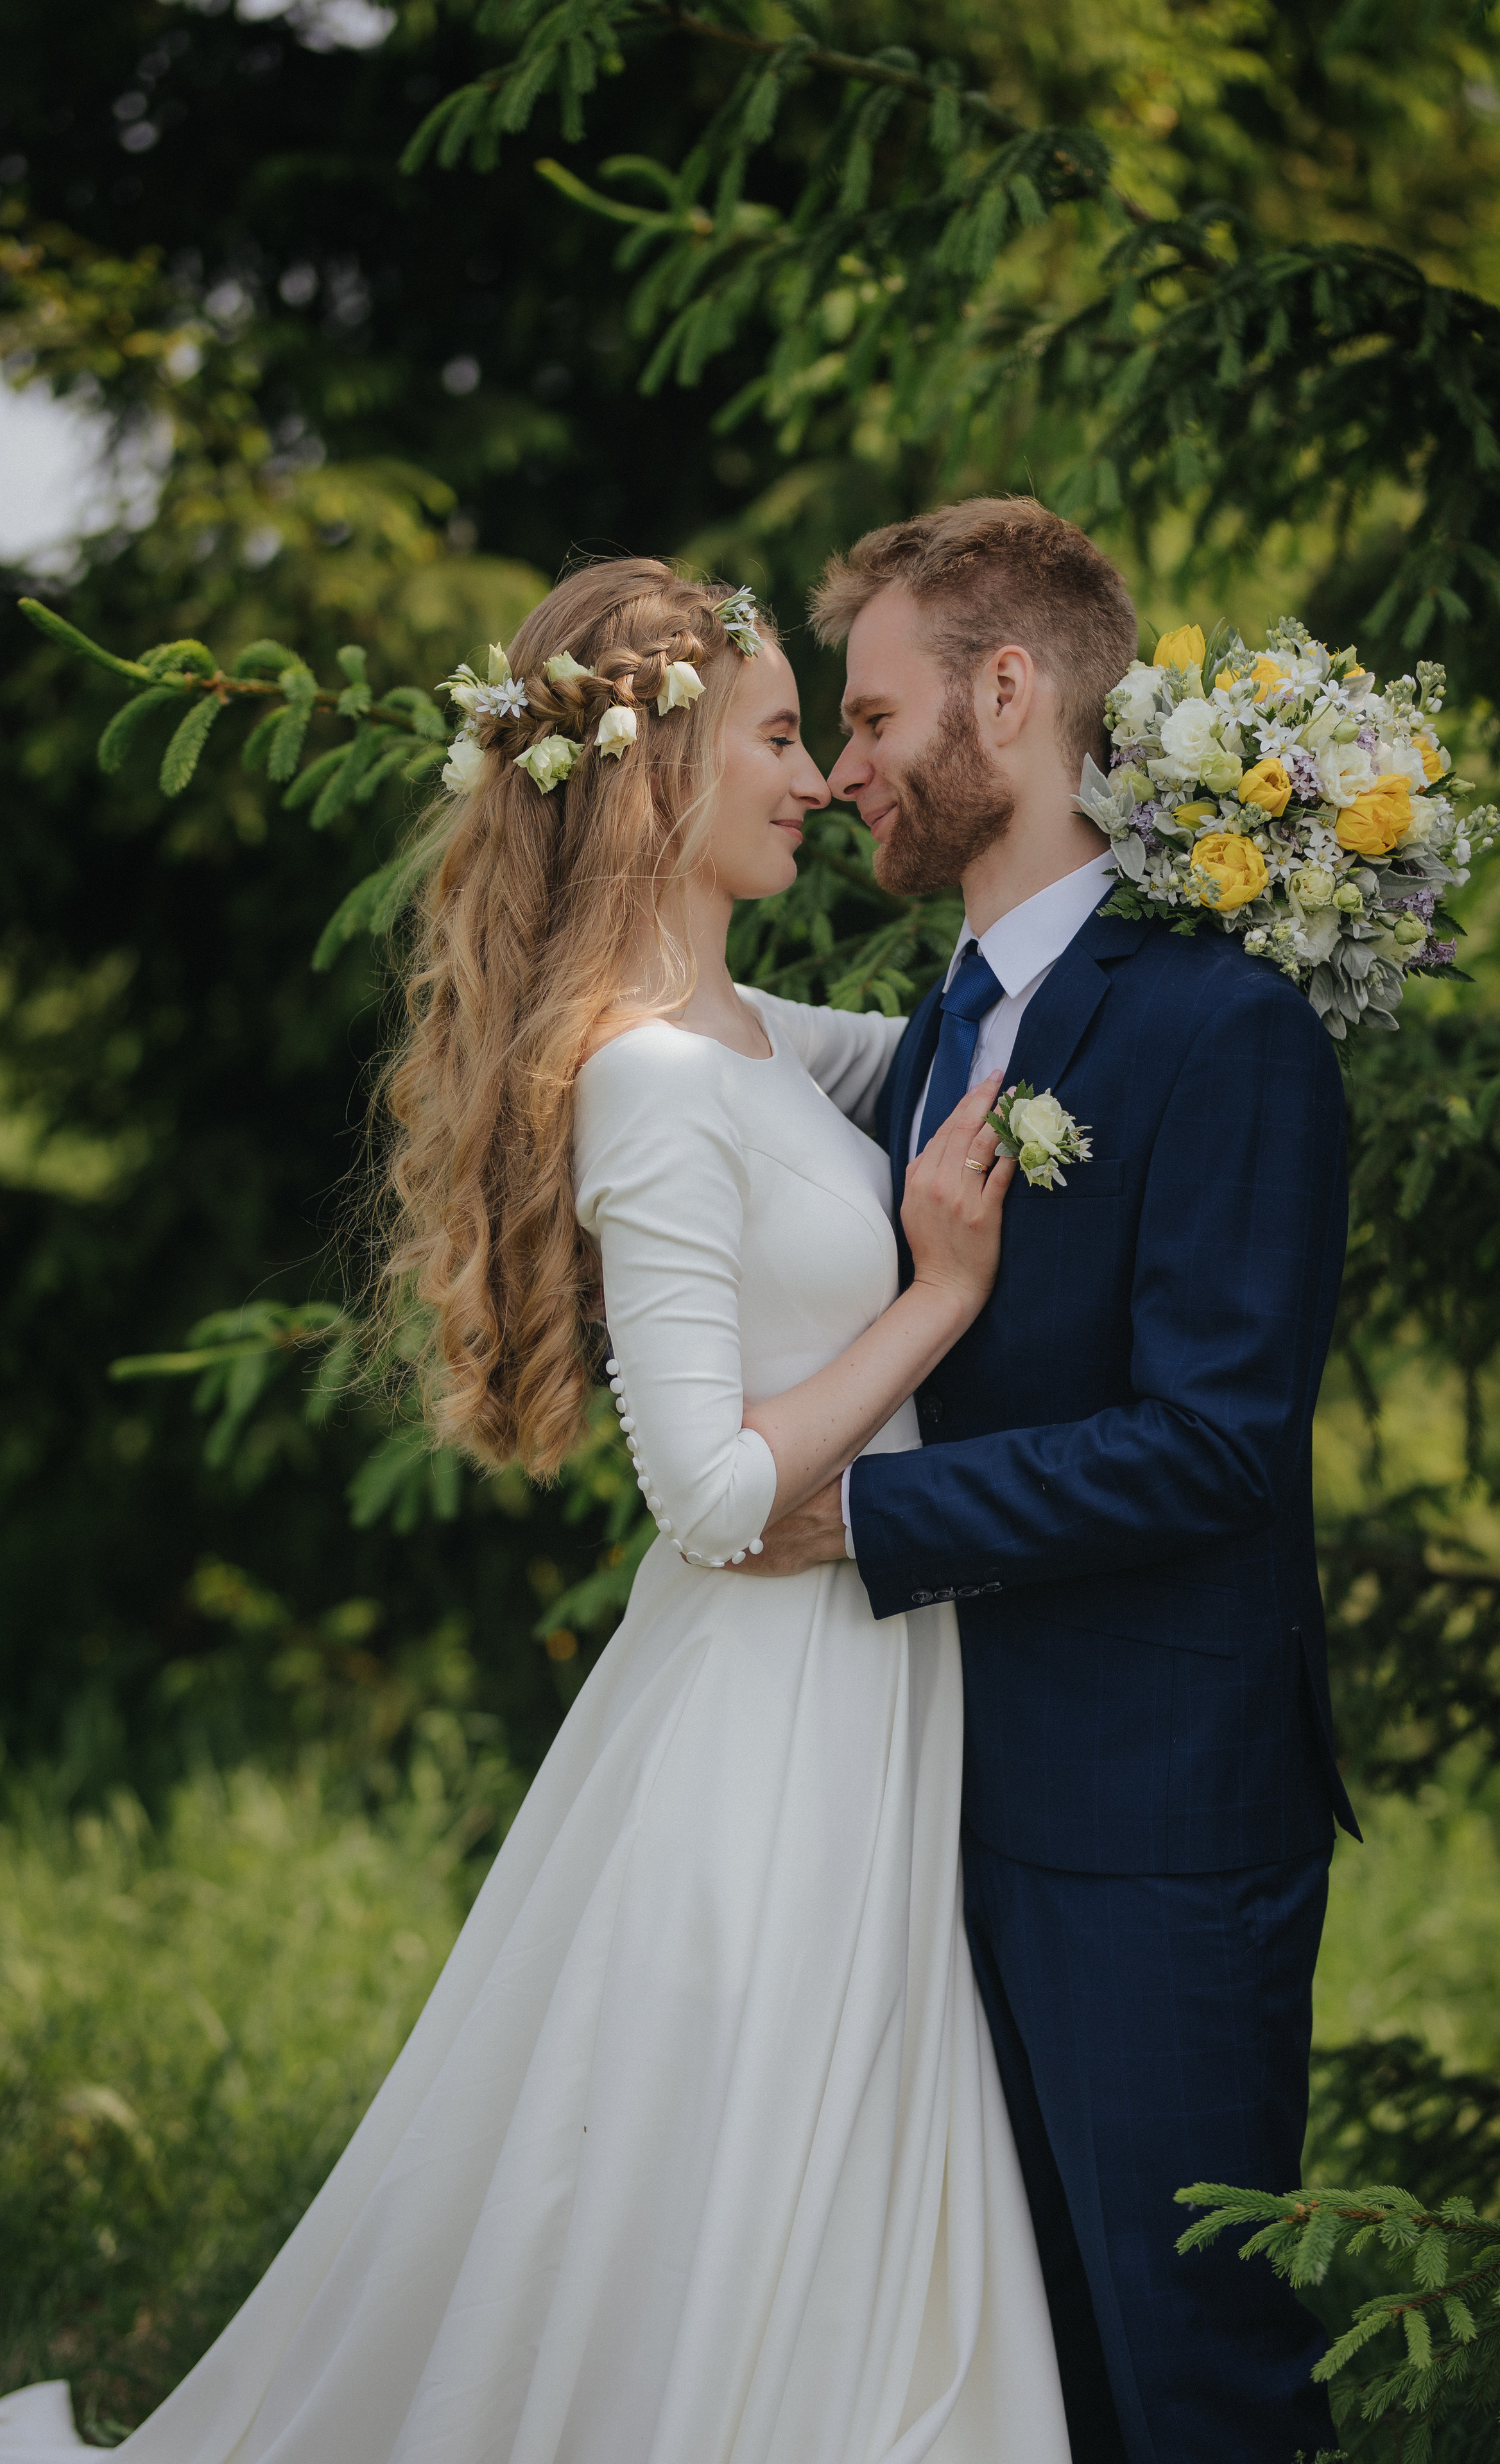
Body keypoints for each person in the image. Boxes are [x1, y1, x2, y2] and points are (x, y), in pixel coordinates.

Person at [0, 560, 1072, 2462]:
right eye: (770, 736)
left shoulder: (757, 1039)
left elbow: (966, 1034)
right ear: (655, 782)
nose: (817, 775)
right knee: (743, 2172)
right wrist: (940, 1301)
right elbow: (710, 1492)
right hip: (768, 1719)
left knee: (834, 2163)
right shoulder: (649, 1084)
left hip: (869, 1690)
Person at [740, 497, 1360, 2464]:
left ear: (1006, 696)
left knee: (1191, 2377)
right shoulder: (946, 1023)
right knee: (1032, 2378)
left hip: (1152, 1839)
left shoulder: (1223, 1027)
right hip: (944, 1801)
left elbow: (1215, 1440)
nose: (844, 773)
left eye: (871, 715)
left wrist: (870, 1523)